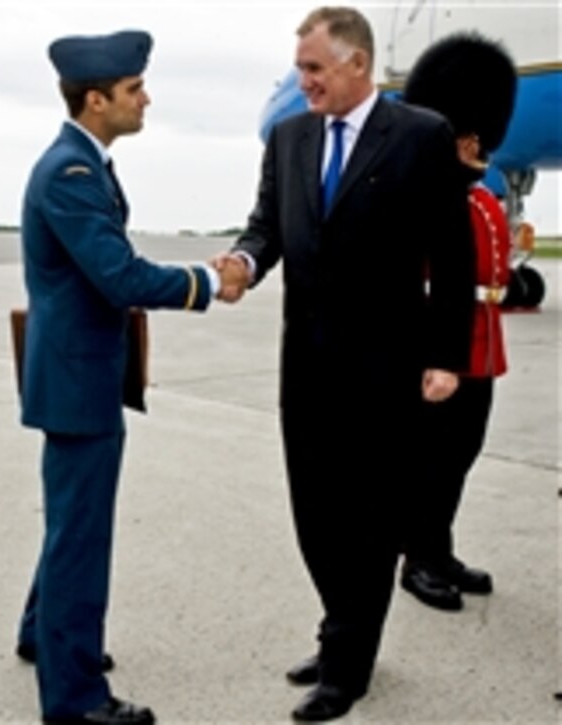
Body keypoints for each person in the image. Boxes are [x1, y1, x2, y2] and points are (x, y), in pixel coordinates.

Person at [214, 7, 474, 721]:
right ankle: (343, 628)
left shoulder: (421, 137)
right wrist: (241, 259)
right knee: (314, 513)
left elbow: (454, 256)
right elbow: (267, 225)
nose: (303, 83)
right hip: (305, 364)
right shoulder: (289, 137)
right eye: (300, 68)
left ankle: (347, 662)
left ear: (357, 64)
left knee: (369, 518)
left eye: (314, 69)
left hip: (386, 367)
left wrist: (447, 355)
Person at [15, 30, 240, 725]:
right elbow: (117, 274)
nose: (145, 99)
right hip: (77, 380)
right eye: (133, 89)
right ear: (96, 99)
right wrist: (208, 281)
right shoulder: (71, 173)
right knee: (81, 532)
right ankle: (75, 698)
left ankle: (41, 635)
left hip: (77, 372)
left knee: (71, 520)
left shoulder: (86, 162)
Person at [398, 33, 518, 612]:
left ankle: (439, 549)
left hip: (483, 346)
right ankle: (418, 558)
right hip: (442, 341)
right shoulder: (433, 194)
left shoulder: (481, 196)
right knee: (433, 457)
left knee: (462, 453)